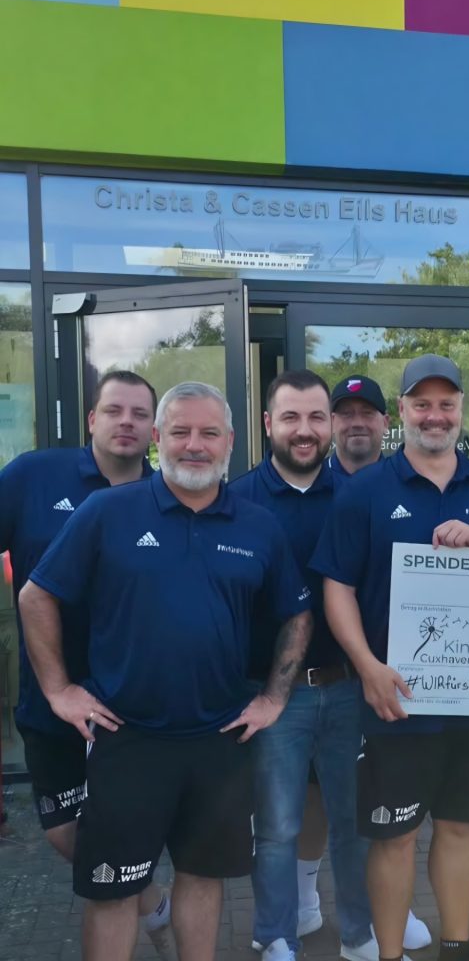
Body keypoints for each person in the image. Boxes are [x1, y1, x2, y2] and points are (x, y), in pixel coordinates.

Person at [19, 381, 313, 961]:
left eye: (209, 433)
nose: (195, 445)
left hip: (220, 739)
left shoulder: (258, 526)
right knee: (112, 891)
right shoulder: (108, 511)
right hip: (127, 738)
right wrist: (58, 689)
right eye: (180, 432)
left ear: (231, 441)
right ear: (158, 438)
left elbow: (296, 613)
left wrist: (274, 698)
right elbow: (36, 595)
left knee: (203, 879)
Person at [311, 354, 469, 961]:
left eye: (446, 404)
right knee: (395, 837)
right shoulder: (365, 491)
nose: (435, 415)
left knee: (460, 827)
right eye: (422, 404)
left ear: (462, 410)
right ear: (402, 412)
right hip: (397, 699)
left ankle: (456, 947)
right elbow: (337, 586)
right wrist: (367, 668)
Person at [0, 370, 173, 956]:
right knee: (64, 833)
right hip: (50, 700)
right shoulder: (32, 475)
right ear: (92, 419)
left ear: (153, 430)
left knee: (115, 837)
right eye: (114, 410)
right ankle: (155, 903)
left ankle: (135, 913)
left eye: (140, 414)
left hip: (130, 709)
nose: (127, 422)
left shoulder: (170, 493)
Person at [231, 370, 378, 961]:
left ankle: (361, 933)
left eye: (317, 417)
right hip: (274, 696)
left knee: (355, 824)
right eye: (290, 417)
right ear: (268, 423)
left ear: (331, 424)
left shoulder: (359, 495)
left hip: (349, 687)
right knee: (276, 828)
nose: (304, 429)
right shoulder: (237, 500)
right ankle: (276, 935)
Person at [329, 373, 390, 476]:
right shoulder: (312, 480)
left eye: (367, 413)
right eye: (346, 413)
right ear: (332, 422)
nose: (357, 423)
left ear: (385, 423)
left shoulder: (405, 482)